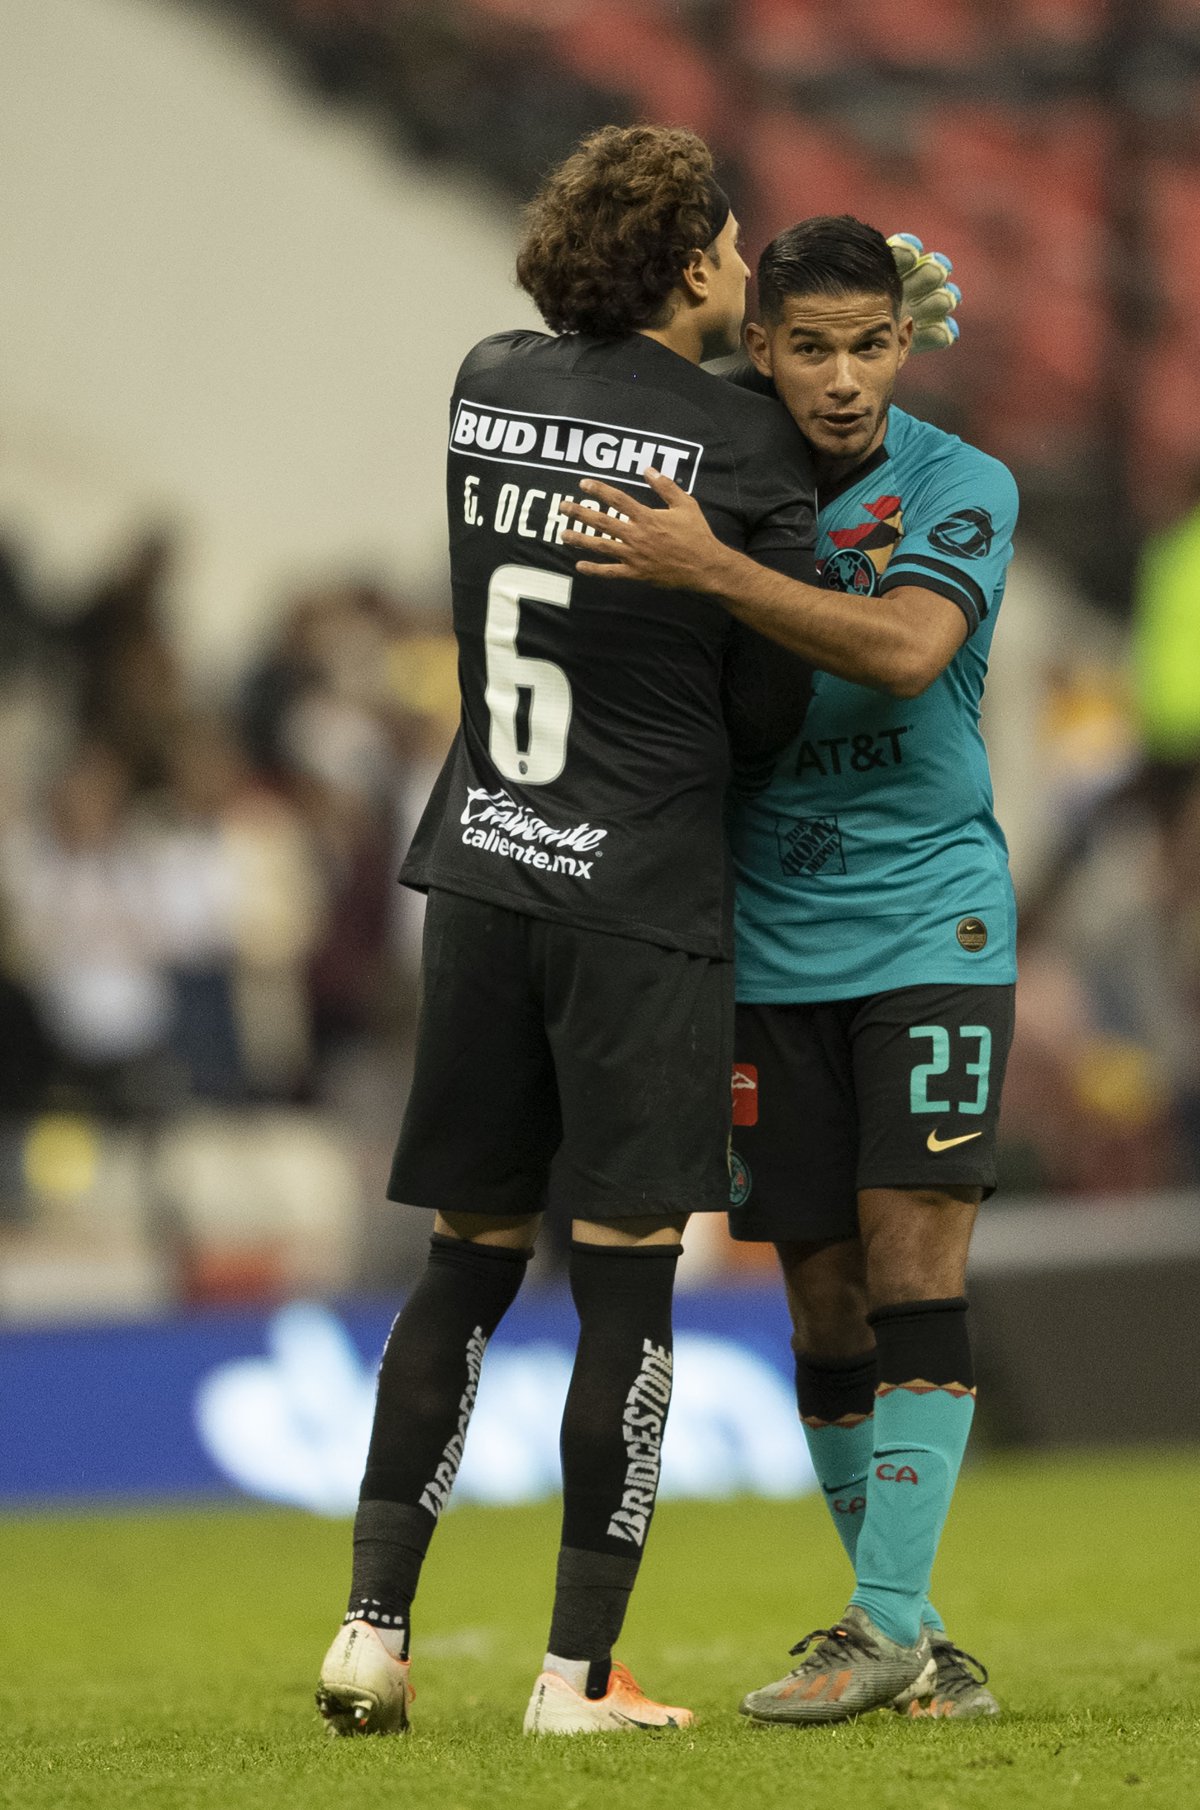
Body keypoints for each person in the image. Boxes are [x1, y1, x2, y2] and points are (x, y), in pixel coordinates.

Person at [315, 125, 820, 1739]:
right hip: (637, 905)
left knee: (461, 1265)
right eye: (734, 250)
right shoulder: (742, 444)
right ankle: (574, 1673)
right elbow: (765, 708)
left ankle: (370, 1633)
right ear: (687, 263)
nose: (748, 276)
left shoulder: (485, 375)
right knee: (626, 1292)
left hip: (477, 870)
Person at [560, 214, 1018, 1724]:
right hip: (766, 934)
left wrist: (711, 571)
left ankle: (878, 1617)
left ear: (905, 341)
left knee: (912, 1262)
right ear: (758, 344)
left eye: (867, 344)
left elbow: (897, 651)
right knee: (821, 1296)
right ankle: (911, 1637)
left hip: (930, 927)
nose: (839, 379)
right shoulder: (717, 463)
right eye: (806, 347)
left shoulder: (960, 484)